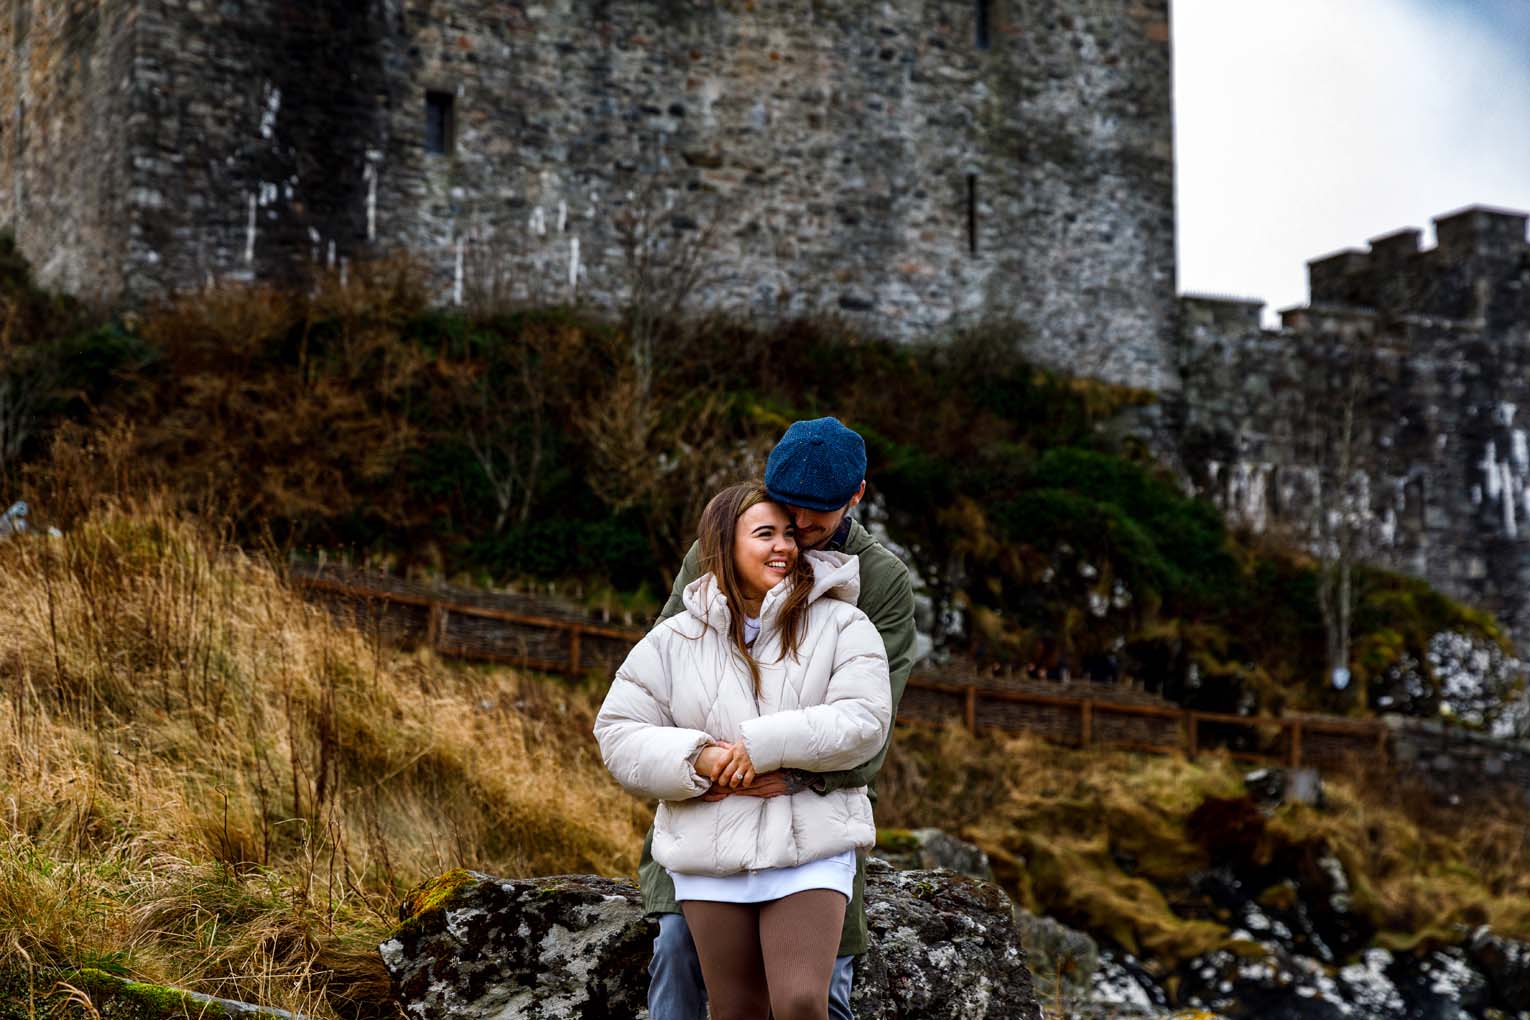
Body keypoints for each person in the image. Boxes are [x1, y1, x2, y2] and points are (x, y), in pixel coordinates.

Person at [643, 417, 917, 1020]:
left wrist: (786, 773)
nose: (799, 522)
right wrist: (702, 765)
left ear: (857, 494)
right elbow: (656, 680)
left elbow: (871, 726)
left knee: (821, 989)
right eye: (788, 503)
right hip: (710, 805)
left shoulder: (881, 581)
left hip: (815, 809)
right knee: (675, 951)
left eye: (818, 510)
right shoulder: (716, 551)